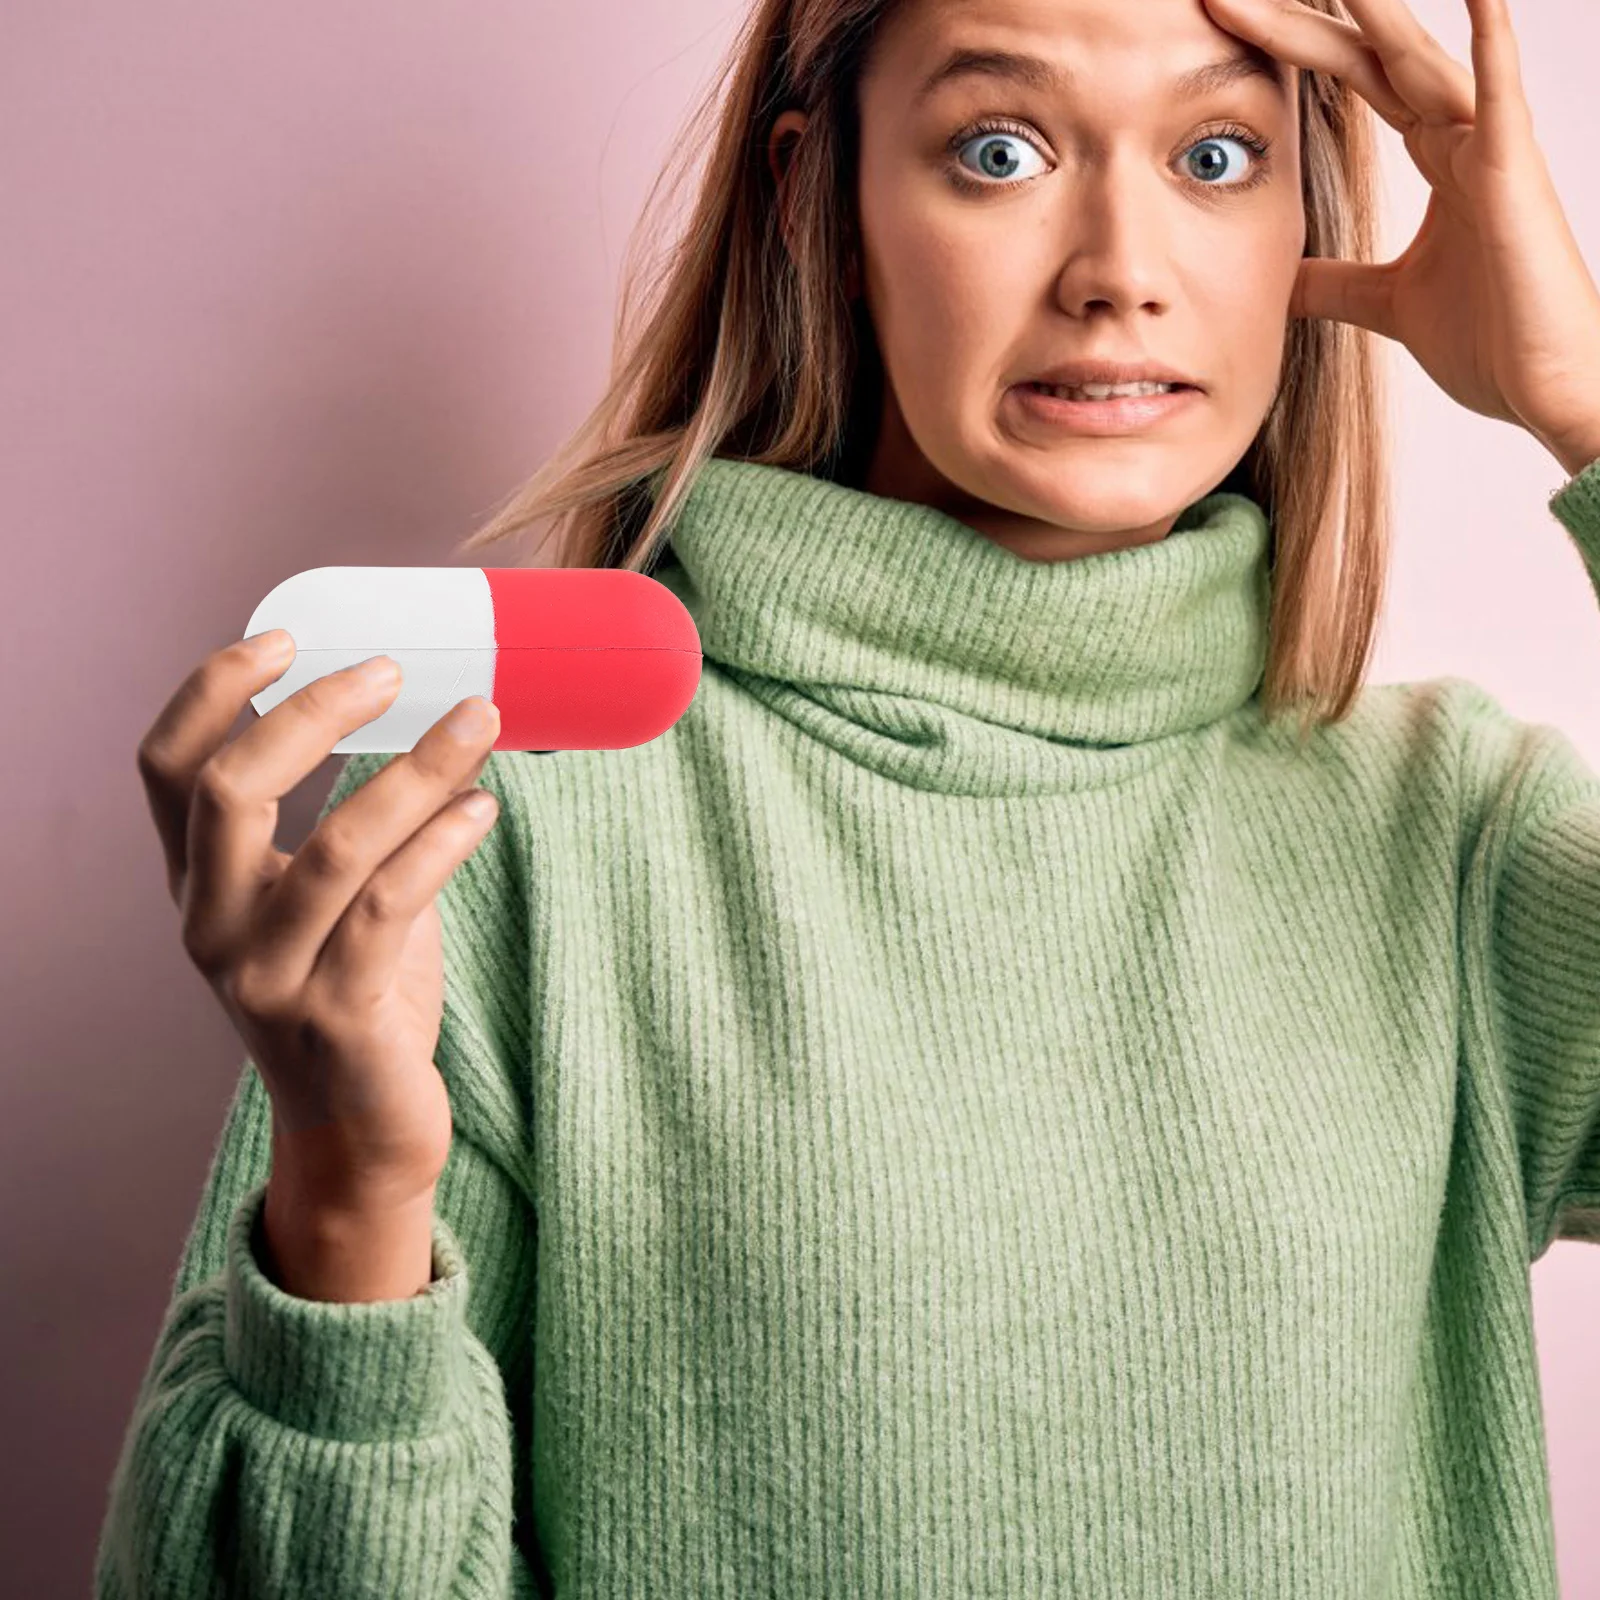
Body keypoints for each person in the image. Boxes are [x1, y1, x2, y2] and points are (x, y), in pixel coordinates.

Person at [99, 0, 1600, 1593]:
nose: (1120, 272)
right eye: (999, 151)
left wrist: (1585, 399)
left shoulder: (1454, 843)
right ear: (828, 204)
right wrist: (348, 1191)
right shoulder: (503, 830)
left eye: (1217, 156)